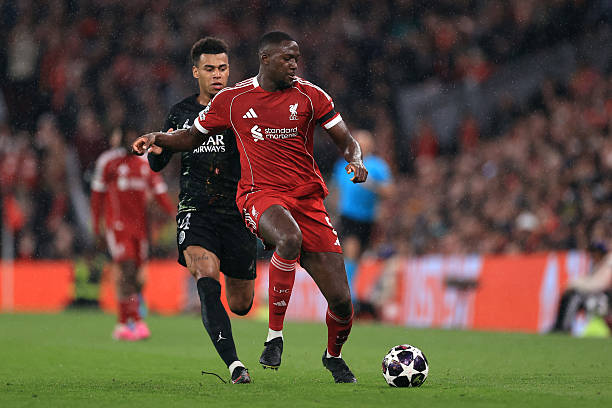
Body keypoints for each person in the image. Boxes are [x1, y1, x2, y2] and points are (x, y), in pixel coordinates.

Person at [132, 31, 368, 383]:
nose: (294, 65)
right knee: (288, 239)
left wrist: (356, 159)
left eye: (296, 58)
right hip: (258, 195)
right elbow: (191, 137)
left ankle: (333, 356)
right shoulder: (234, 99)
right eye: (287, 58)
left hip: (307, 200)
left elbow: (346, 140)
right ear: (265, 59)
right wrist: (158, 137)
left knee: (341, 303)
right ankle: (273, 338)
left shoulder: (311, 95)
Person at [147, 37, 256, 385]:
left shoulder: (243, 108)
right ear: (196, 72)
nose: (217, 74)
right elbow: (157, 163)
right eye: (209, 69)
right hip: (196, 210)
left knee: (241, 304)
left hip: (237, 213)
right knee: (206, 280)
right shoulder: (180, 113)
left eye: (222, 68)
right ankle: (235, 365)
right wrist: (156, 149)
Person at [91, 126, 175, 341]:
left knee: (137, 278)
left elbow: (160, 193)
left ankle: (126, 322)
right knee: (127, 268)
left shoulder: (146, 164)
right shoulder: (108, 162)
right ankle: (132, 321)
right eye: (126, 136)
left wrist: (175, 215)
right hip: (117, 226)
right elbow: (97, 197)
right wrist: (97, 228)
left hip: (140, 228)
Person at [332, 129, 393, 318]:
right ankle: (348, 297)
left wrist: (371, 184)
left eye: (364, 143)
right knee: (350, 251)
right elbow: (336, 191)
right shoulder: (342, 165)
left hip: (367, 219)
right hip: (348, 217)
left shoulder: (378, 166)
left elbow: (390, 192)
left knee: (357, 257)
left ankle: (351, 294)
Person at [551, 242, 612, 333]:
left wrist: (573, 285)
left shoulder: (608, 264)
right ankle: (560, 325)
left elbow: (599, 284)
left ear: (599, 253)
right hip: (601, 297)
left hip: (606, 299)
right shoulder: (599, 265)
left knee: (574, 298)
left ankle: (563, 327)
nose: (592, 256)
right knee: (570, 295)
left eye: (594, 253)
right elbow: (590, 280)